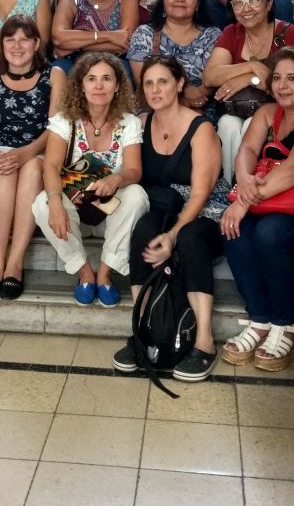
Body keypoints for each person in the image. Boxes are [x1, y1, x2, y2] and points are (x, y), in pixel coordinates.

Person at [111, 56, 223, 382]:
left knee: (189, 238)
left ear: (179, 84)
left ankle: (204, 341)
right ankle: (141, 330)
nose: (155, 90)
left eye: (163, 82)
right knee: (143, 229)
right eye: (149, 83)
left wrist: (172, 235)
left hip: (204, 212)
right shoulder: (141, 123)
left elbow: (201, 193)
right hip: (163, 207)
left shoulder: (201, 128)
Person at [219, 47, 294, 372]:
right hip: (265, 197)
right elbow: (247, 149)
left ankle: (286, 323)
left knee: (269, 234)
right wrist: (243, 177)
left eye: (292, 79)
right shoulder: (268, 112)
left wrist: (242, 201)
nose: (282, 85)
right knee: (233, 230)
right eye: (277, 77)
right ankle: (260, 319)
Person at [33, 53, 149, 307]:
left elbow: (134, 170)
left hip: (111, 216)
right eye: (91, 78)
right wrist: (55, 204)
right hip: (74, 215)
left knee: (137, 194)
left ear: (117, 86)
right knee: (42, 203)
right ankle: (84, 272)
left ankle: (105, 274)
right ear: (81, 85)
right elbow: (50, 166)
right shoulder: (65, 120)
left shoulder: (129, 122)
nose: (99, 85)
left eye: (106, 78)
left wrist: (116, 179)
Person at [0, 15, 65, 300]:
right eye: (10, 39)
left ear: (36, 43)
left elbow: (57, 127)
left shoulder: (54, 75)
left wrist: (26, 153)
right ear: (2, 44)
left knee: (32, 168)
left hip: (40, 152)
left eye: (24, 39)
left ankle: (15, 264)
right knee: (4, 167)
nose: (17, 46)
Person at [203, 0, 294, 183]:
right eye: (238, 2)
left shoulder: (289, 34)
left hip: (280, 111)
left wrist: (249, 80)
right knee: (227, 124)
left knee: (251, 125)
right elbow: (210, 76)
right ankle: (232, 187)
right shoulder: (232, 33)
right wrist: (252, 68)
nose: (246, 8)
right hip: (238, 108)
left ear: (269, 3)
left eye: (254, 0)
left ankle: (257, 184)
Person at [128, 0, 220, 119]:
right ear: (162, 3)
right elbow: (143, 81)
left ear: (198, 4)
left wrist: (198, 96)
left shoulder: (213, 35)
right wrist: (184, 92)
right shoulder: (144, 34)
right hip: (155, 107)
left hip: (201, 108)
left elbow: (215, 78)